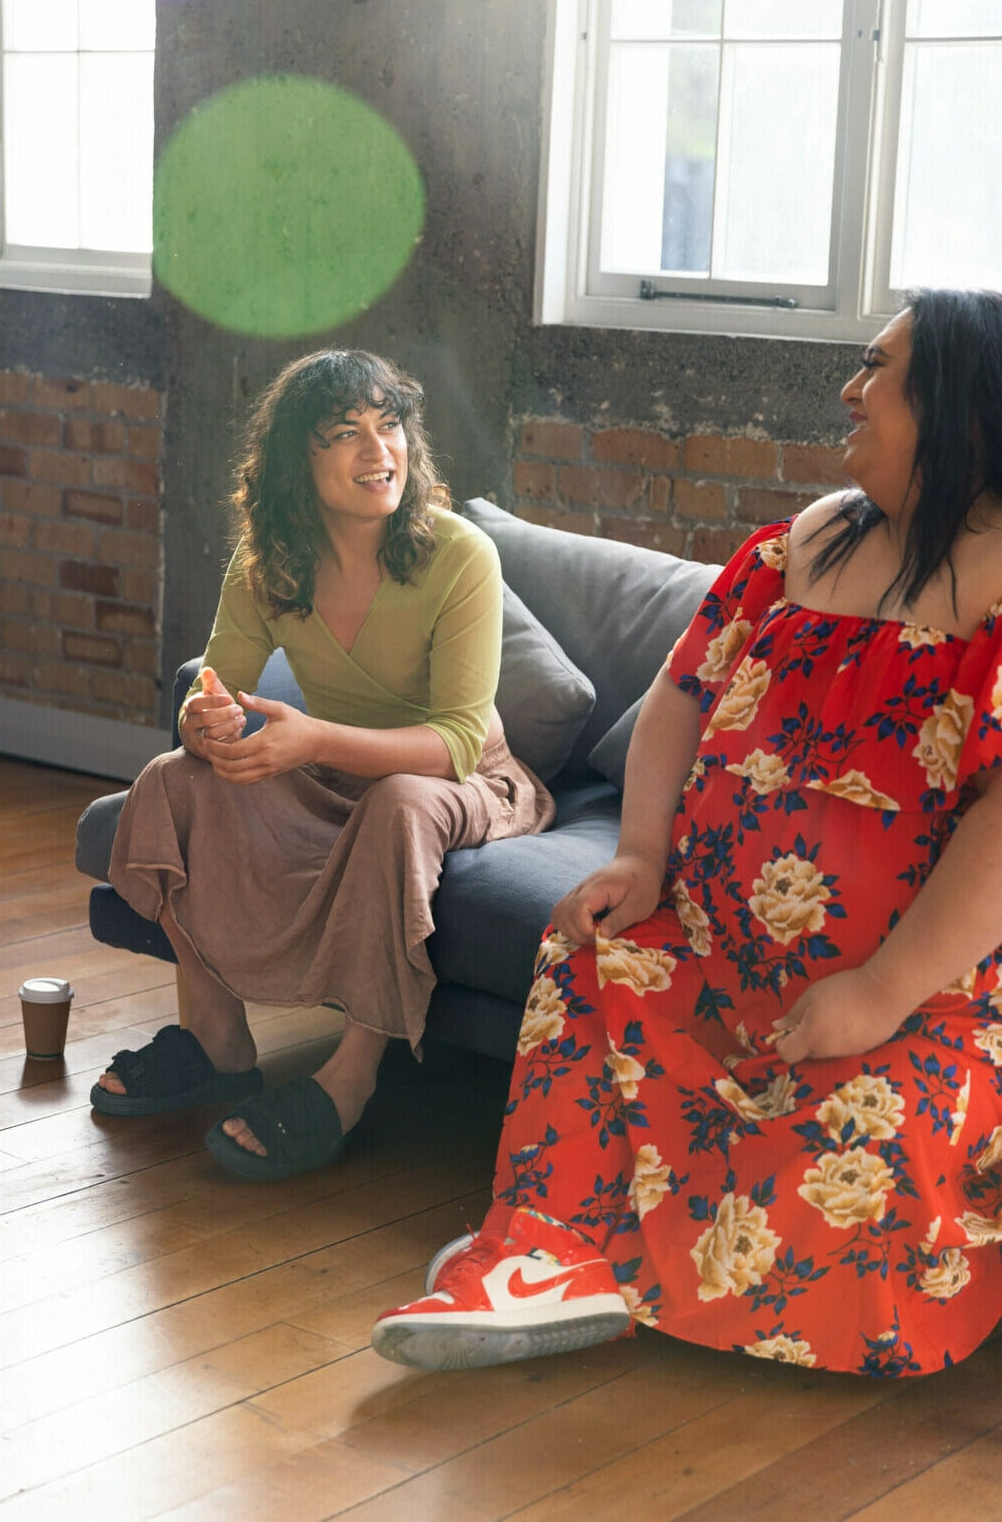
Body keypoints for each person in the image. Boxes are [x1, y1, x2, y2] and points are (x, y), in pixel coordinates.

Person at [373, 288, 1002, 1377]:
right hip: (712, 948)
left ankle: (617, 1266)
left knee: (872, 1126)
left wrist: (882, 990)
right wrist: (640, 856)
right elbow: (676, 701)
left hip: (906, 986)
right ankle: (545, 1253)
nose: (848, 391)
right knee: (588, 952)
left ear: (961, 405)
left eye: (876, 368)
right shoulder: (799, 547)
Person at [92, 348, 553, 1179]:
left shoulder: (459, 556)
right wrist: (213, 727)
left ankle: (348, 1080)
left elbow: (452, 740)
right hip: (332, 774)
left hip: (464, 778)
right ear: (293, 463)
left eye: (391, 425)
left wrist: (309, 739)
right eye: (346, 433)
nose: (380, 452)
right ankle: (217, 1037)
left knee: (401, 803)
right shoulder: (268, 561)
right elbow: (213, 689)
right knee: (170, 781)